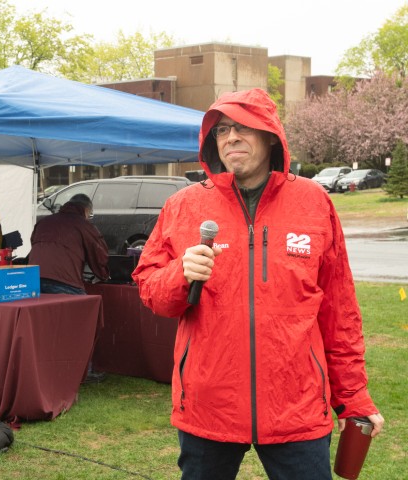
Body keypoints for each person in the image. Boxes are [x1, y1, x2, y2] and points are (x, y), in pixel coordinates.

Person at [132, 88, 384, 479]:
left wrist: (353, 397)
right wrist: (179, 274)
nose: (231, 137)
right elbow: (151, 290)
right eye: (222, 130)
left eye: (243, 127)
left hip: (297, 405)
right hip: (209, 403)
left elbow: (340, 313)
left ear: (270, 136)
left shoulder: (314, 203)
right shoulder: (184, 206)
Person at [29, 193, 109, 294]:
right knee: (88, 303)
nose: (88, 218)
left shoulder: (43, 222)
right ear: (86, 210)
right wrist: (104, 275)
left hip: (32, 280)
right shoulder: (84, 225)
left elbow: (35, 247)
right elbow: (99, 255)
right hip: (64, 282)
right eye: (89, 215)